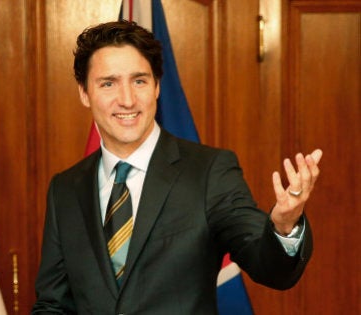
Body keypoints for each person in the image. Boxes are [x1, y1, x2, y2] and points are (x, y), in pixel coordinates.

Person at [32, 20, 322, 314]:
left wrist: (284, 226)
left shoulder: (210, 172)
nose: (127, 99)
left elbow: (268, 267)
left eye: (139, 81)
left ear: (157, 86)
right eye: (108, 83)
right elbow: (53, 303)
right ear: (84, 92)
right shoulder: (65, 189)